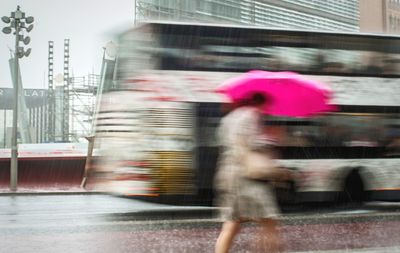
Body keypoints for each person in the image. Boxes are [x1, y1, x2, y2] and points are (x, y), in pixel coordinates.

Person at [214, 93, 292, 253]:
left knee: (231, 224)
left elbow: (229, 144)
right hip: (248, 178)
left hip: (229, 176)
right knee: (270, 222)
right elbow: (249, 145)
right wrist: (270, 139)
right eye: (267, 106)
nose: (267, 110)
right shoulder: (251, 115)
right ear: (260, 103)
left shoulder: (229, 118)